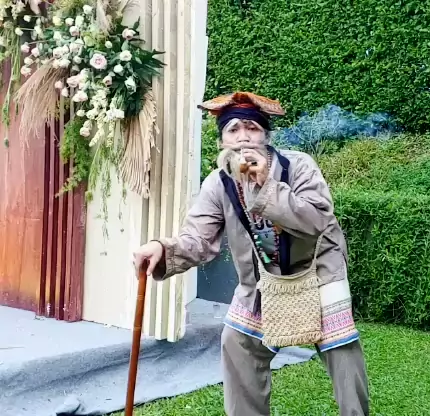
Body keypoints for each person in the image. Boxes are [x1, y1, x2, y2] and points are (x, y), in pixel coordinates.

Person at [132, 92, 369, 416]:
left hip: (318, 272)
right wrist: (162, 249)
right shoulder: (217, 184)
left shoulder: (298, 166)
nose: (243, 136)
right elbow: (197, 238)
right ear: (222, 142)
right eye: (233, 130)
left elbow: (316, 220)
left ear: (266, 137)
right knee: (238, 343)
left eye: (252, 128)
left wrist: (266, 187)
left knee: (343, 352)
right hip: (260, 282)